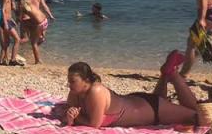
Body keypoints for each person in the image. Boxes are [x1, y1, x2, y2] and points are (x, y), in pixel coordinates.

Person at [60, 52, 198, 127]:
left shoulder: (96, 91)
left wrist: (75, 118)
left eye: (73, 81)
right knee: (161, 100)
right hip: (139, 102)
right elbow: (67, 112)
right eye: (69, 81)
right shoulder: (75, 92)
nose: (69, 84)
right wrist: (70, 116)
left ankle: (173, 74)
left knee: (197, 115)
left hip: (151, 110)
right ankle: (166, 73)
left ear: (86, 81)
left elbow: (94, 124)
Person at [18, 0, 55, 64]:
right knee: (39, 39)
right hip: (41, 20)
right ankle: (31, 53)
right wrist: (50, 15)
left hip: (28, 20)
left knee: (24, 39)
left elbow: (19, 13)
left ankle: (23, 54)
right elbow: (44, 6)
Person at [0, 0, 22, 65]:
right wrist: (5, 23)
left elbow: (8, 10)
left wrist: (11, 19)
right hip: (5, 21)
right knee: (17, 39)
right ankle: (13, 60)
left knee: (7, 42)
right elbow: (3, 9)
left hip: (8, 20)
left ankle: (1, 60)